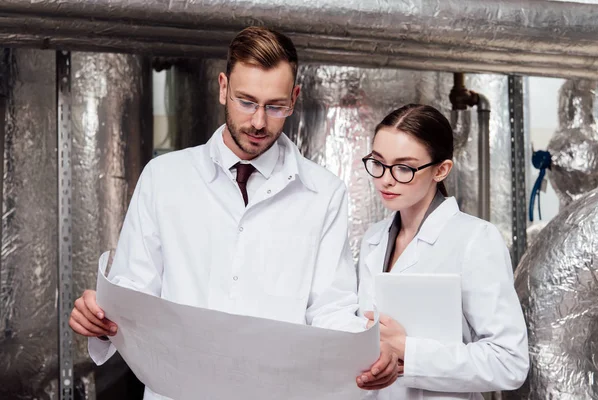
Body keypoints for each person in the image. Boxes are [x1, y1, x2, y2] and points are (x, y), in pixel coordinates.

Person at [68, 26, 398, 399]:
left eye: (274, 106)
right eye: (246, 101)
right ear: (223, 87)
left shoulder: (324, 193)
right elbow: (134, 295)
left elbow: (330, 308)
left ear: (294, 98)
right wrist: (99, 317)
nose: (259, 122)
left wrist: (366, 353)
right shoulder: (164, 178)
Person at [357, 104, 529, 400]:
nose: (385, 179)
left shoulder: (475, 239)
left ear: (441, 170)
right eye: (378, 162)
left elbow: (509, 362)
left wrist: (409, 352)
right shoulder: (373, 240)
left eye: (403, 168)